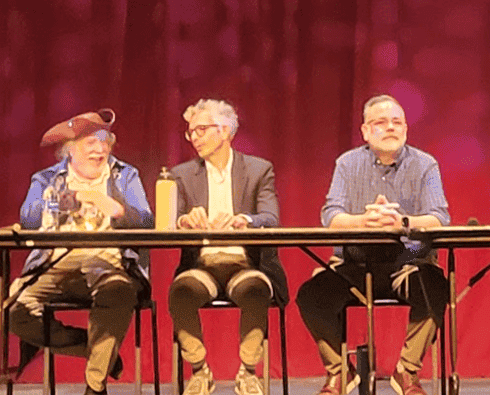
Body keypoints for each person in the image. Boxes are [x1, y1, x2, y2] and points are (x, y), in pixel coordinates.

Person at [296, 95, 450, 395]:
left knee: (435, 287)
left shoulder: (426, 164)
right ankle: (340, 371)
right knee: (312, 295)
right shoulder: (347, 163)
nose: (391, 128)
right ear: (365, 131)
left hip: (407, 264)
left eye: (397, 122)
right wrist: (363, 221)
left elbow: (439, 218)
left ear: (406, 129)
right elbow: (331, 216)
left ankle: (407, 371)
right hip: (353, 265)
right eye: (381, 122)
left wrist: (400, 222)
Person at [10, 109, 154, 395]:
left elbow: (147, 221)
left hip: (109, 263)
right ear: (70, 149)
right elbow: (29, 219)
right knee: (15, 311)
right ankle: (99, 350)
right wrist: (71, 198)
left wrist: (117, 208)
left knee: (119, 291)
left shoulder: (125, 175)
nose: (100, 150)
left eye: (105, 142)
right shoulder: (46, 178)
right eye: (91, 143)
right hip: (56, 264)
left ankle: (95, 385)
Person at [168, 99, 288, 395]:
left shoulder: (258, 170)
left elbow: (270, 218)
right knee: (181, 292)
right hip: (202, 265)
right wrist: (184, 220)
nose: (194, 137)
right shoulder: (181, 174)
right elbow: (169, 221)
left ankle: (248, 372)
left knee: (255, 290)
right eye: (190, 132)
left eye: (201, 130)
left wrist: (243, 220)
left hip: (245, 264)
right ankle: (200, 370)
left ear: (224, 131)